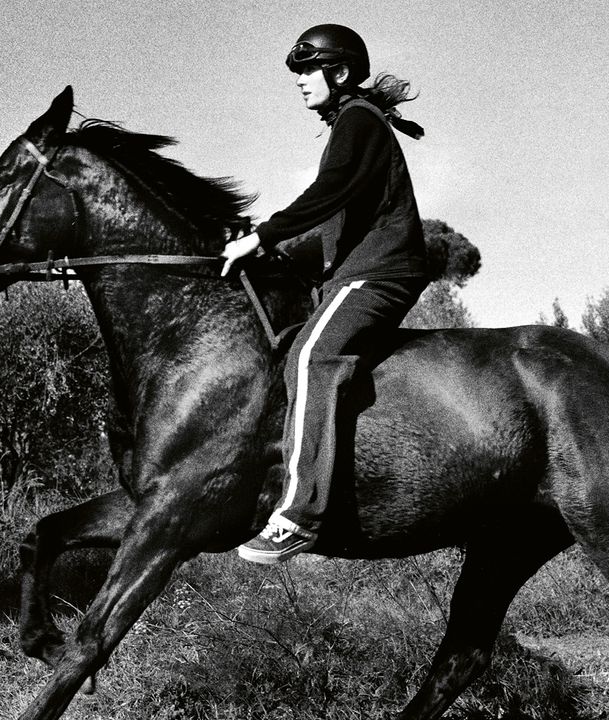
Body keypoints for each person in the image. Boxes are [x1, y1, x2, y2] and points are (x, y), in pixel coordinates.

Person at [220, 24, 430, 564]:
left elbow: (329, 191)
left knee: (312, 355)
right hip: (357, 270)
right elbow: (335, 213)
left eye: (308, 71)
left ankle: (299, 516)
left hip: (380, 273)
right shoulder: (352, 122)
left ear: (339, 73)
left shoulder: (358, 120)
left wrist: (262, 237)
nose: (300, 82)